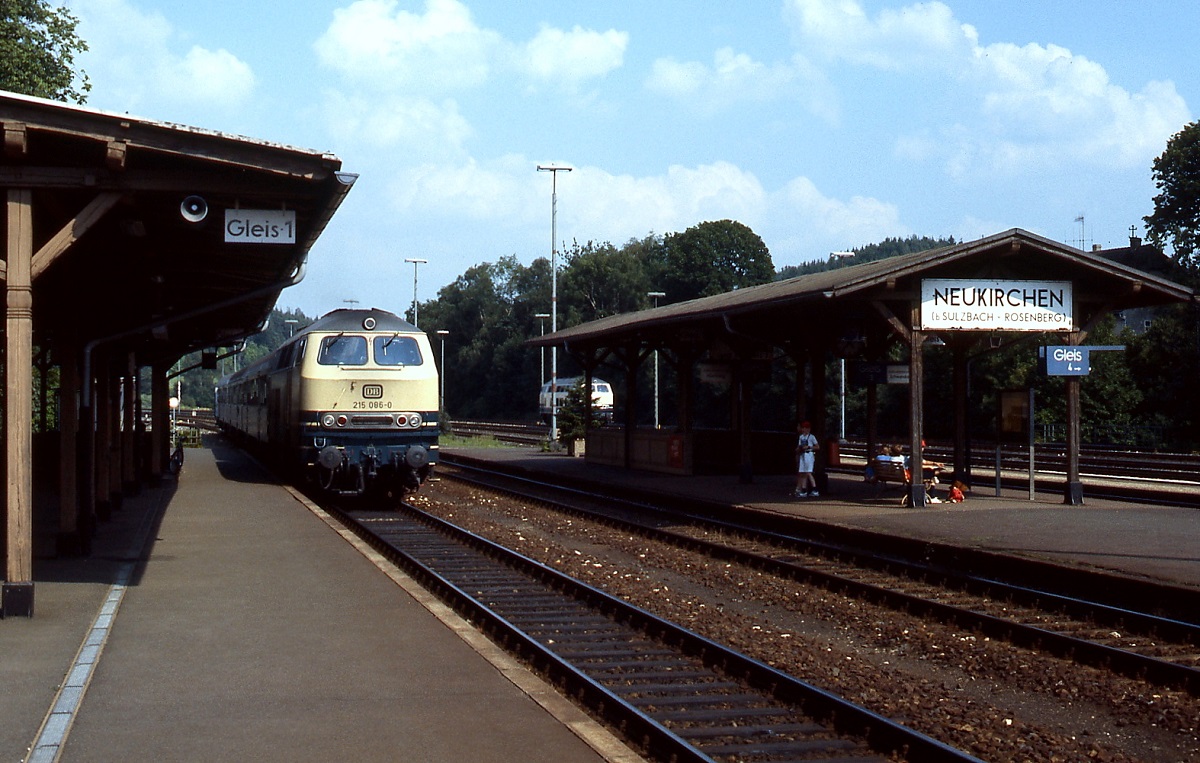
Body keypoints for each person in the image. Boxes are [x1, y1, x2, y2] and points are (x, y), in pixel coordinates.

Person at [794, 421, 820, 498]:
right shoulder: (801, 437)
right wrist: (798, 449)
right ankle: (804, 490)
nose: (804, 429)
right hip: (803, 455)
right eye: (803, 428)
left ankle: (815, 489)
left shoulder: (811, 437)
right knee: (803, 473)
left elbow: (817, 447)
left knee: (808, 472)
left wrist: (809, 447)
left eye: (806, 428)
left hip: (809, 454)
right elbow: (799, 446)